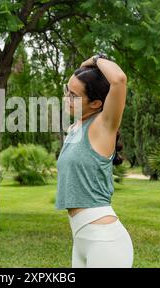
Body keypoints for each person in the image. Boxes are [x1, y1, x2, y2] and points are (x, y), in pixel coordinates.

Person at [56, 53, 133, 268]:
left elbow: (118, 79)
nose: (66, 99)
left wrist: (97, 58)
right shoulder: (75, 127)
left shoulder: (103, 126)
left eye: (73, 96)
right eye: (67, 92)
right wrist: (85, 66)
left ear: (96, 103)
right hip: (81, 238)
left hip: (104, 241)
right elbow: (86, 74)